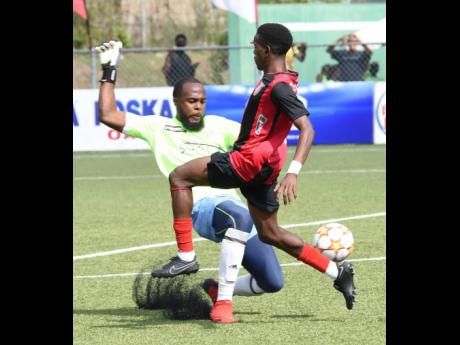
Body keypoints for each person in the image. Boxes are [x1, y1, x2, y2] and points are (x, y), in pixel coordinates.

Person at [153, 23, 357, 312]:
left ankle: (186, 256)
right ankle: (338, 273)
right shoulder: (278, 79)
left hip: (247, 161)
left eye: (255, 47)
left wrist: (294, 172)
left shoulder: (279, 87)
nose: (253, 51)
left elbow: (307, 129)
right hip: (263, 167)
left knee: (180, 177)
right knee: (270, 233)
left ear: (268, 49)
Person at [94, 41, 285, 324]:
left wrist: (277, 173)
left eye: (202, 101)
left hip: (237, 209)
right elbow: (108, 115)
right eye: (191, 101)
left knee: (272, 280)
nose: (197, 107)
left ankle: (214, 288)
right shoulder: (158, 127)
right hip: (202, 207)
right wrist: (109, 70)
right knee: (240, 216)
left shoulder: (221, 126)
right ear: (176, 102)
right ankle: (223, 303)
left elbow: (261, 145)